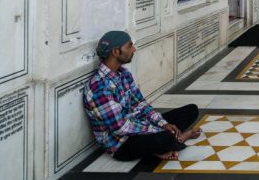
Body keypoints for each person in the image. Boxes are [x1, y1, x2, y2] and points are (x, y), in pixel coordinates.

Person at [83, 30, 202, 161]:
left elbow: (141, 104)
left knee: (191, 110)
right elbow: (121, 128)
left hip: (138, 125)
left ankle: (166, 145)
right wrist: (158, 130)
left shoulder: (124, 74)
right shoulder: (99, 88)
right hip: (122, 144)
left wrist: (162, 124)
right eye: (129, 46)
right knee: (165, 137)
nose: (134, 49)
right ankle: (179, 138)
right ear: (115, 52)